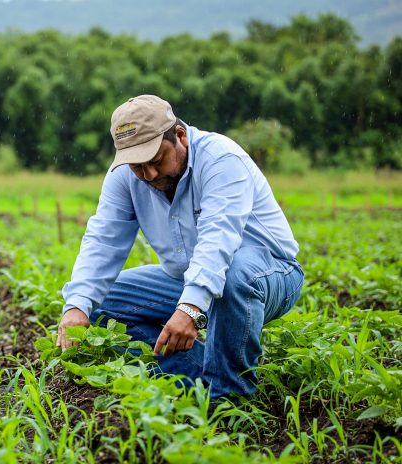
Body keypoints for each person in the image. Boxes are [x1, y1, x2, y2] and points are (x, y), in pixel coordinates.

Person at [56, 95, 304, 399]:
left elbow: (218, 240)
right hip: (187, 277)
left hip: (268, 274)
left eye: (156, 160)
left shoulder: (220, 160)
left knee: (232, 277)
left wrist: (190, 308)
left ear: (180, 136)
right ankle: (202, 378)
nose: (149, 175)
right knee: (99, 305)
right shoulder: (124, 176)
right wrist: (77, 305)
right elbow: (103, 238)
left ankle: (230, 399)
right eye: (137, 166)